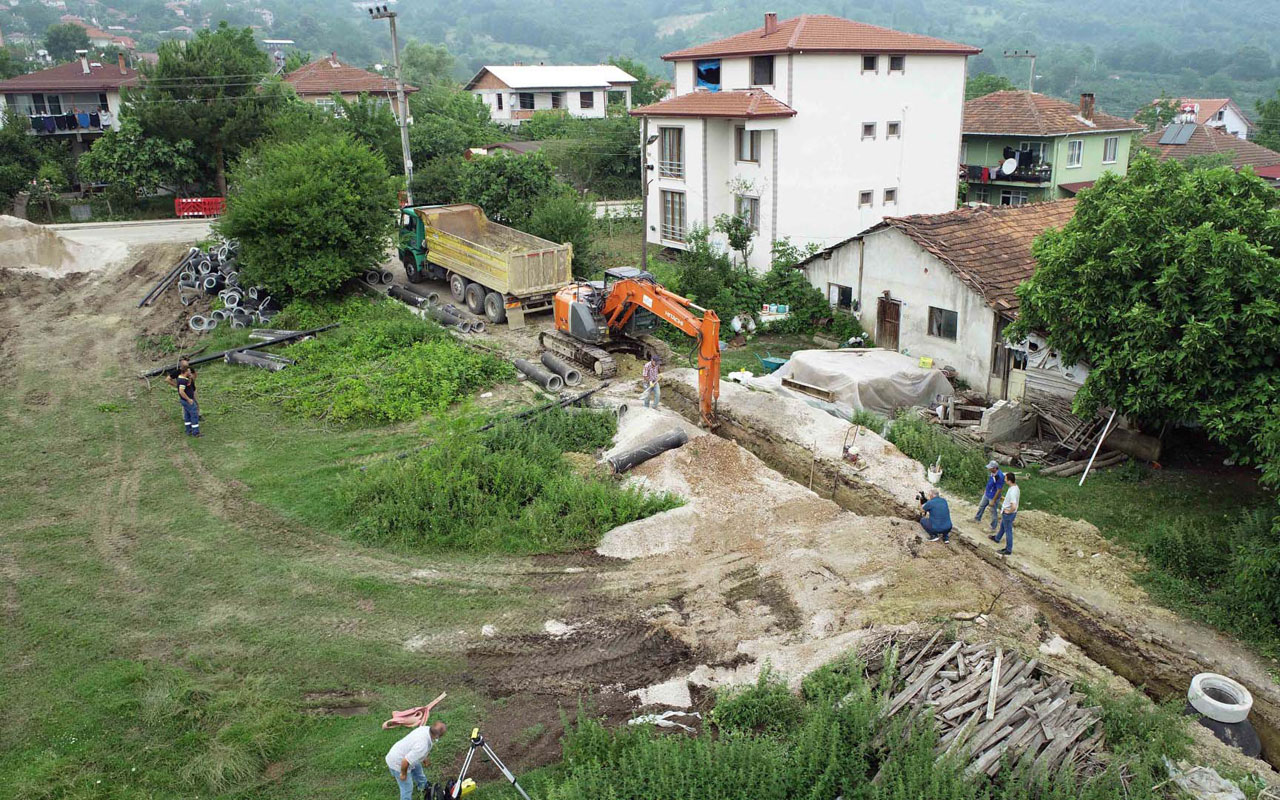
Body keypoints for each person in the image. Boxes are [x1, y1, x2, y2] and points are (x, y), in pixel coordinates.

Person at [386, 721, 446, 800]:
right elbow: (405, 761)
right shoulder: (422, 745)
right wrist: (403, 774)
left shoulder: (425, 729)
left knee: (418, 770)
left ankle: (423, 786)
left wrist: (424, 758)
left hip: (403, 752)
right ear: (437, 736)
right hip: (397, 762)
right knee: (407, 787)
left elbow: (416, 751)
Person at [990, 472, 1020, 555]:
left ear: (1009, 480)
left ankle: (1008, 549)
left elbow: (1013, 505)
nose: (1004, 480)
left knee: (1008, 531)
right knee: (1003, 526)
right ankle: (997, 538)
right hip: (1008, 513)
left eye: (1006, 479)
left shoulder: (1013, 491)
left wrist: (1008, 511)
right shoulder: (1015, 487)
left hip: (1008, 514)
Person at [974, 460, 1005, 531]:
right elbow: (990, 483)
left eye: (990, 468)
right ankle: (977, 518)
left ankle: (993, 527)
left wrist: (993, 500)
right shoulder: (992, 473)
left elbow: (999, 489)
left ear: (994, 468)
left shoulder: (999, 477)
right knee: (981, 506)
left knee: (993, 511)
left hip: (993, 496)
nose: (988, 469)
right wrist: (986, 490)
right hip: (987, 494)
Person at [174, 362, 200, 437]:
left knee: (187, 415)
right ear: (185, 372)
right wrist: (189, 399)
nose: (190, 372)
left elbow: (188, 385)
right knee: (194, 414)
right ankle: (196, 432)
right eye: (188, 371)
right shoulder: (182, 381)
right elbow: (181, 392)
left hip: (185, 401)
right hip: (187, 401)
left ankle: (188, 430)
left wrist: (190, 378)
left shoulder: (183, 378)